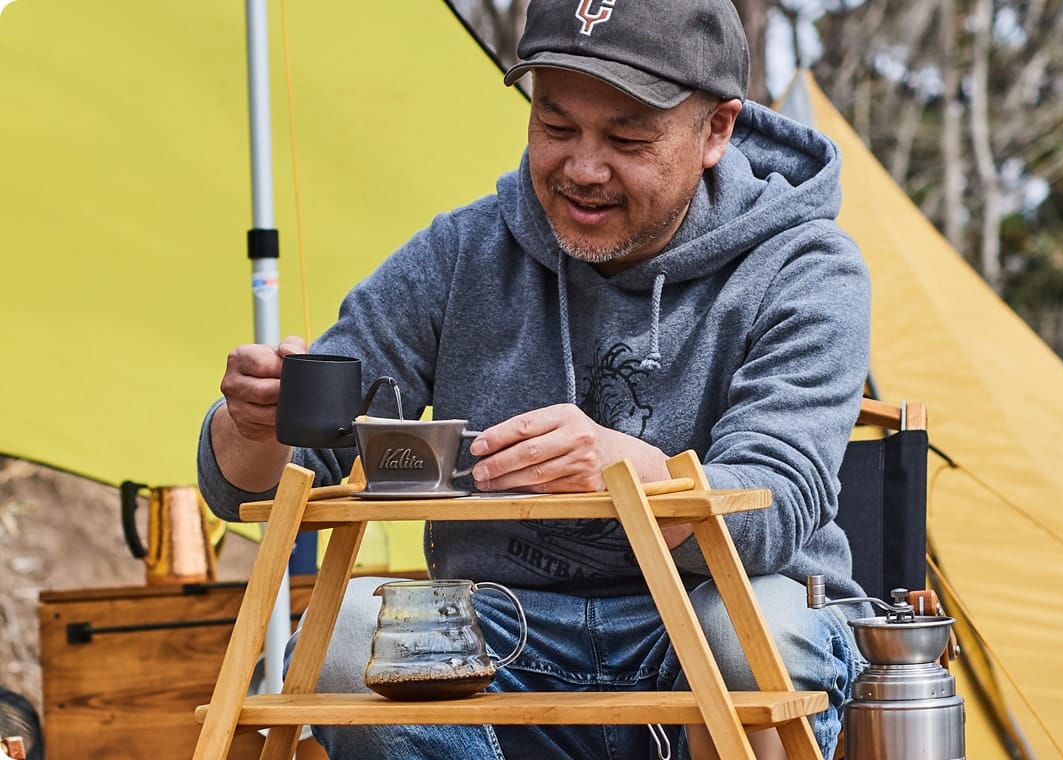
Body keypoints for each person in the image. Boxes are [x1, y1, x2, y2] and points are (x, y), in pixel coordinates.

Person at [197, 0, 871, 757]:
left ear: (715, 130)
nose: (582, 169)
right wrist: (255, 426)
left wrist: (635, 474)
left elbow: (778, 507)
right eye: (555, 126)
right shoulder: (461, 253)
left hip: (705, 613)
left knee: (760, 633)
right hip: (501, 634)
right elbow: (262, 482)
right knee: (349, 636)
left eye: (627, 139)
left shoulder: (804, 267)